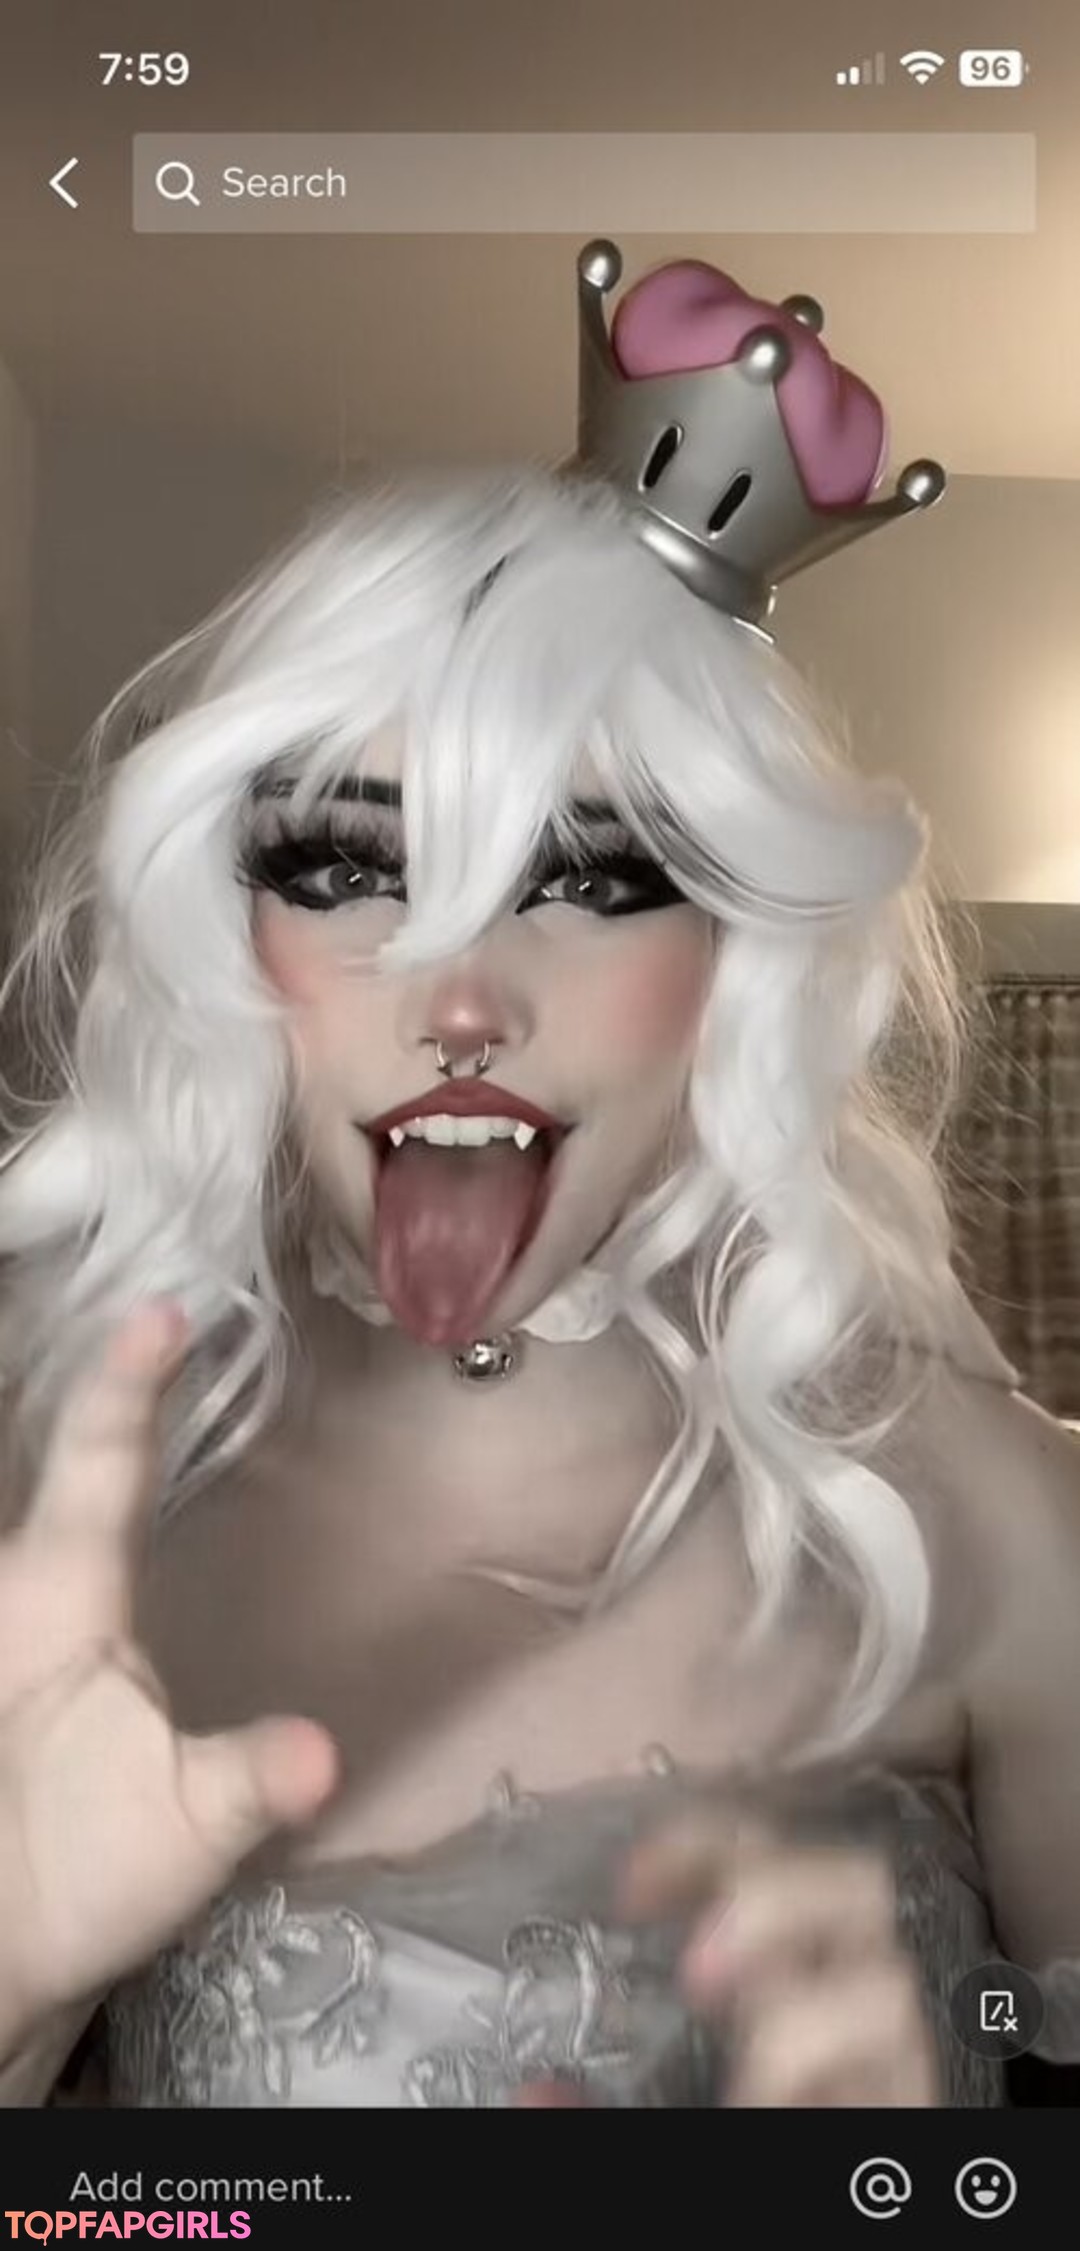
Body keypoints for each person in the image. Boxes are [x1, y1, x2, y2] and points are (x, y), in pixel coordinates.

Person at [1, 239, 1080, 2110]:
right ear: (230, 929)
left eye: (590, 879)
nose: (462, 1001)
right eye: (350, 867)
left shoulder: (1003, 1518)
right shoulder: (52, 1533)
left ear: (740, 949)